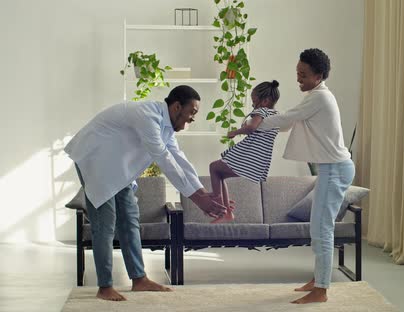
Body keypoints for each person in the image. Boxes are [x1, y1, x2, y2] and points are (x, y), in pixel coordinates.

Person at [64, 85, 227, 301]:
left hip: (115, 166)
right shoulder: (148, 116)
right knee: (105, 223)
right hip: (94, 158)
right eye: (192, 112)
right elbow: (163, 158)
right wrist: (199, 200)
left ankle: (139, 279)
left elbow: (179, 159)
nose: (192, 118)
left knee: (130, 218)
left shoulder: (166, 126)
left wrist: (203, 193)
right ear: (177, 106)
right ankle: (105, 286)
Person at [244, 49, 355, 304]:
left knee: (322, 228)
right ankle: (318, 279)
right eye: (297, 73)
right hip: (331, 168)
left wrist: (254, 124)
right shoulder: (315, 97)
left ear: (319, 75)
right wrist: (258, 123)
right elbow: (286, 123)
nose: (298, 79)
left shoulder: (319, 98)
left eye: (303, 75)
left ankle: (322, 290)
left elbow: (289, 118)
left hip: (335, 169)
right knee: (318, 226)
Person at [208, 80, 281, 223]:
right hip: (259, 160)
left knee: (214, 167)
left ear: (265, 101)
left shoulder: (261, 111)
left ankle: (218, 206)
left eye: (254, 102)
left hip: (249, 157)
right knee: (219, 173)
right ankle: (227, 212)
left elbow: (251, 128)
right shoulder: (276, 115)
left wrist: (235, 132)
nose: (253, 106)